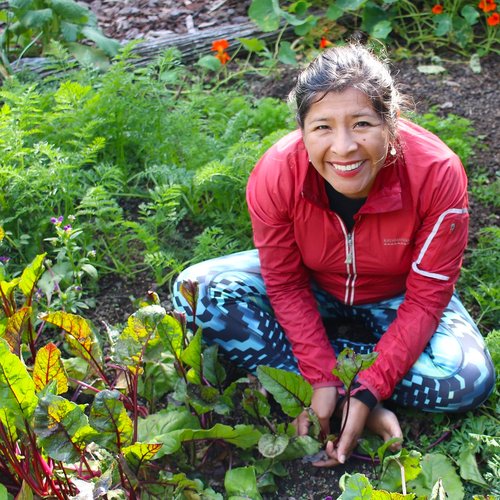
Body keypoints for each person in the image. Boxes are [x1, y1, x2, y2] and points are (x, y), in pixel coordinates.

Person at [172, 43, 495, 467]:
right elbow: (285, 283)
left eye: (362, 123)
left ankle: (344, 374)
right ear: (302, 132)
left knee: (468, 381)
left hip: (400, 298)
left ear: (391, 123)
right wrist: (321, 376)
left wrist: (369, 386)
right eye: (322, 127)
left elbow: (426, 298)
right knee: (194, 291)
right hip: (312, 287)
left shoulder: (437, 173)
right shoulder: (277, 173)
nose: (344, 147)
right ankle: (338, 377)